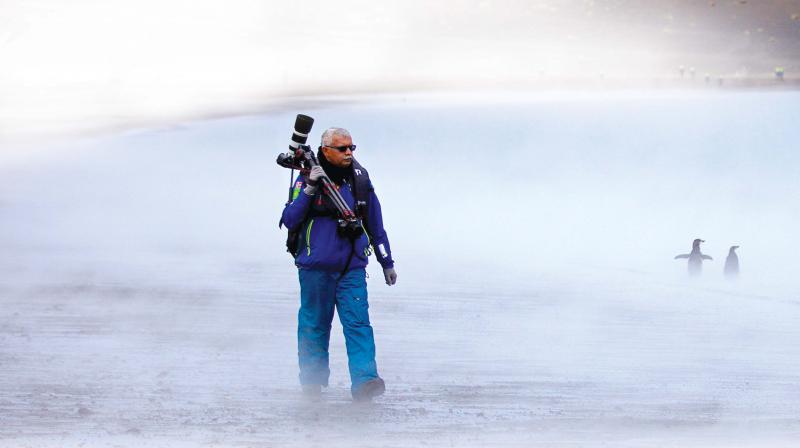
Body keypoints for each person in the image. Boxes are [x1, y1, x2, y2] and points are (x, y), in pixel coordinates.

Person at [280, 127, 397, 402]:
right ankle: (311, 382)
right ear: (325, 150)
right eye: (342, 148)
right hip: (315, 268)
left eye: (351, 148)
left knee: (358, 324)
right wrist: (309, 188)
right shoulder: (305, 179)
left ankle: (366, 381)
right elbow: (290, 219)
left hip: (352, 268)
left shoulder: (360, 181)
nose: (349, 153)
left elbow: (376, 225)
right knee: (314, 325)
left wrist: (386, 262)